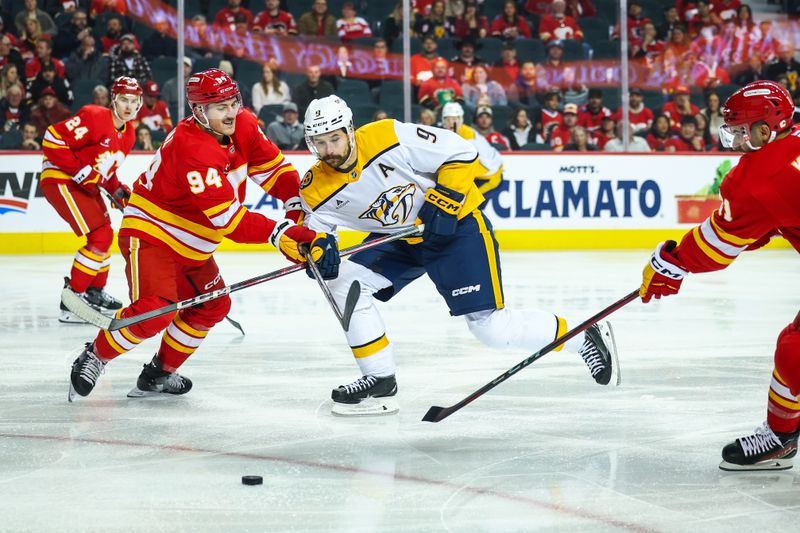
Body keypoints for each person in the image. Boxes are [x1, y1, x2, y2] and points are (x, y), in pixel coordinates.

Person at [299, 95, 620, 415]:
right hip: (400, 240)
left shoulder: (386, 136)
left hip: (454, 228)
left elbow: (462, 151)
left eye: (334, 139)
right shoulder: (315, 186)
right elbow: (315, 229)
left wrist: (446, 200)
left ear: (350, 129)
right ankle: (380, 380)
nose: (329, 151)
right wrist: (318, 248)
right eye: (319, 142)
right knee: (344, 282)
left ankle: (583, 333)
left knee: (492, 329)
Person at [67, 69, 339, 400]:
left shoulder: (245, 124)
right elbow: (230, 222)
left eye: (233, 102)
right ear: (199, 111)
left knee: (213, 306)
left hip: (195, 243)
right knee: (157, 309)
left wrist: (297, 213)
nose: (230, 112)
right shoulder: (191, 147)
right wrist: (285, 233)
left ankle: (158, 373)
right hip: (153, 233)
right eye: (220, 107)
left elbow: (277, 171)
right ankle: (95, 355)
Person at [638, 80, 800, 471]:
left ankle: (780, 436)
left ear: (766, 129)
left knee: (795, 354)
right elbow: (776, 218)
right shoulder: (790, 141)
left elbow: (716, 247)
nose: (732, 138)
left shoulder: (757, 177)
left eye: (741, 130)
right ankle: (780, 435)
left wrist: (671, 263)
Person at [39, 77, 142, 324]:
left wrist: (119, 192)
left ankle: (93, 292)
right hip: (61, 178)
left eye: (133, 101)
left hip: (82, 184)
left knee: (104, 233)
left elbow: (104, 172)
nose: (128, 106)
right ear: (113, 99)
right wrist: (79, 170)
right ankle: (72, 299)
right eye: (124, 100)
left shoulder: (129, 135)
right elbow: (52, 139)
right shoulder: (95, 116)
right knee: (101, 235)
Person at [441, 101, 503, 197]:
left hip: (490, 176)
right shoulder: (447, 134)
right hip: (475, 175)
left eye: (454, 119)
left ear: (460, 119)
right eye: (447, 119)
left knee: (470, 205)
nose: (450, 123)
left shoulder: (469, 136)